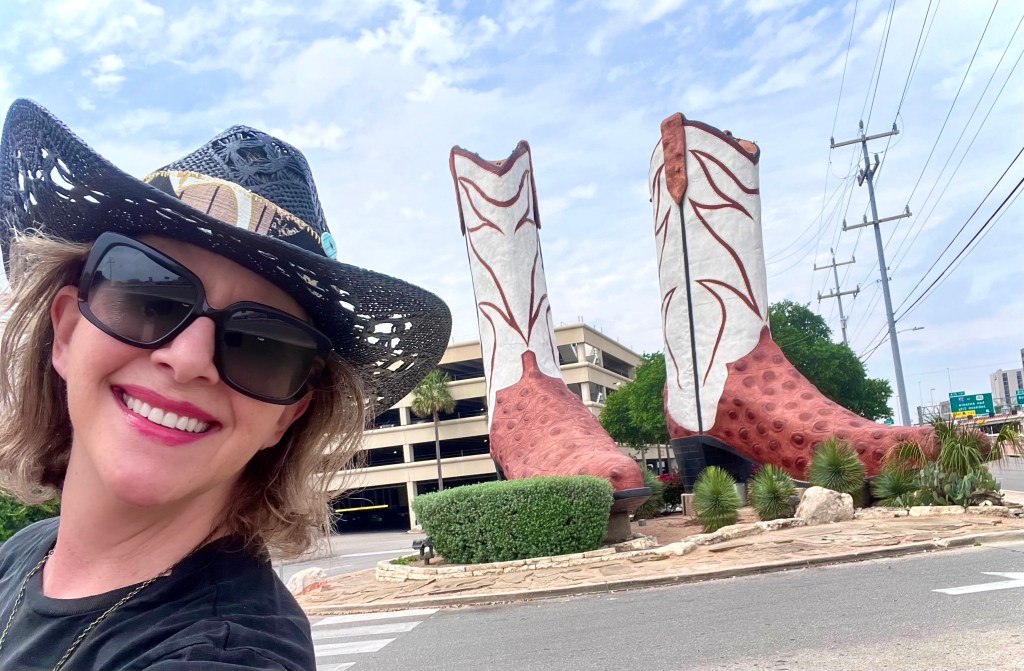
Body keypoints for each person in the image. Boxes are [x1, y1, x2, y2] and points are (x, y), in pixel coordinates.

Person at [0, 99, 451, 669]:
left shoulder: (228, 654)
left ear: (288, 413)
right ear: (66, 331)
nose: (189, 360)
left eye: (263, 343)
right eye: (150, 296)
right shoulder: (22, 556)